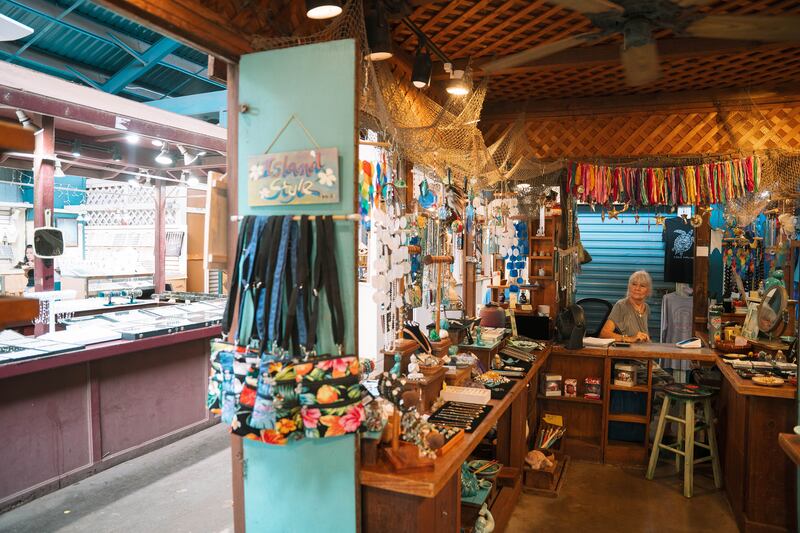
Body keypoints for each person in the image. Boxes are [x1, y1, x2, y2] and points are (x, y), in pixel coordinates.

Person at [600, 270, 652, 343]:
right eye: (634, 284)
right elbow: (604, 334)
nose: (637, 288)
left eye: (642, 286)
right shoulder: (621, 305)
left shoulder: (646, 308)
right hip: (629, 349)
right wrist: (630, 339)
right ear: (629, 286)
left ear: (648, 290)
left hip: (644, 348)